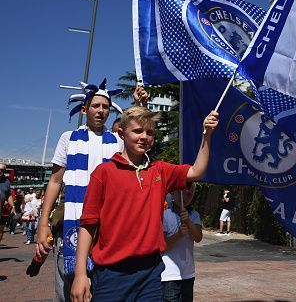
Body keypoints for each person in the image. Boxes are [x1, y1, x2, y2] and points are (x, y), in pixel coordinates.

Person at [70, 106, 218, 302]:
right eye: (137, 131)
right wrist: (80, 274)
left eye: (149, 132)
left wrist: (206, 135)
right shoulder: (103, 172)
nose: (144, 137)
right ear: (122, 133)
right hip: (111, 274)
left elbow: (197, 171)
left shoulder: (160, 170)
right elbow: (88, 225)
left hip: (151, 273)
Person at [35, 80, 145, 302]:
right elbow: (55, 182)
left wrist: (139, 105)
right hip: (72, 225)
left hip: (106, 230)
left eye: (105, 107)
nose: (101, 111)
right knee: (67, 291)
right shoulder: (68, 138)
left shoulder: (117, 141)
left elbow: (139, 144)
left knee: (102, 291)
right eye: (96, 106)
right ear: (85, 109)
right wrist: (43, 223)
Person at [161, 183, 203, 302]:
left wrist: (188, 221)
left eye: (190, 194)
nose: (186, 196)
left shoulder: (194, 215)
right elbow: (162, 246)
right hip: (169, 274)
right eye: (182, 192)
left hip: (188, 273)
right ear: (174, 193)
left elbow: (198, 237)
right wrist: (179, 235)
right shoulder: (165, 215)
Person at [0, 163, 14, 244]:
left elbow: (9, 195)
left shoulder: (7, 182)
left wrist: (13, 206)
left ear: (4, 171)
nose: (0, 171)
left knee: (1, 230)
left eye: (2, 170)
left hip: (2, 210)